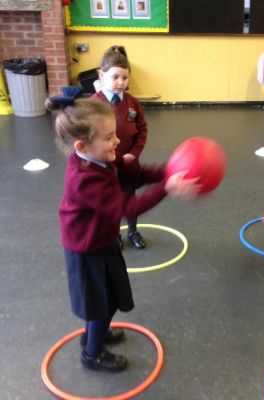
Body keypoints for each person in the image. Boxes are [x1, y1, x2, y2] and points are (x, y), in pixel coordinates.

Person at [49, 93, 199, 372]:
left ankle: (95, 333)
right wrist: (166, 188)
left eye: (115, 134)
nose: (117, 142)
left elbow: (136, 175)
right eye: (109, 137)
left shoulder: (103, 157)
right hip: (87, 250)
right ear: (82, 145)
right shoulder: (84, 180)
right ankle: (92, 353)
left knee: (107, 299)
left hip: (102, 241)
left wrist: (170, 171)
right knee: (101, 304)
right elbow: (128, 207)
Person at [91, 45, 149, 250]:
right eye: (115, 77)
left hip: (128, 164)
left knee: (129, 198)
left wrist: (134, 154)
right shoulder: (94, 104)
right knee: (110, 202)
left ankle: (133, 231)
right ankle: (114, 233)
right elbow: (90, 138)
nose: (121, 82)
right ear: (102, 75)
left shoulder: (133, 103)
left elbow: (142, 130)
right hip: (106, 167)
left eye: (125, 78)